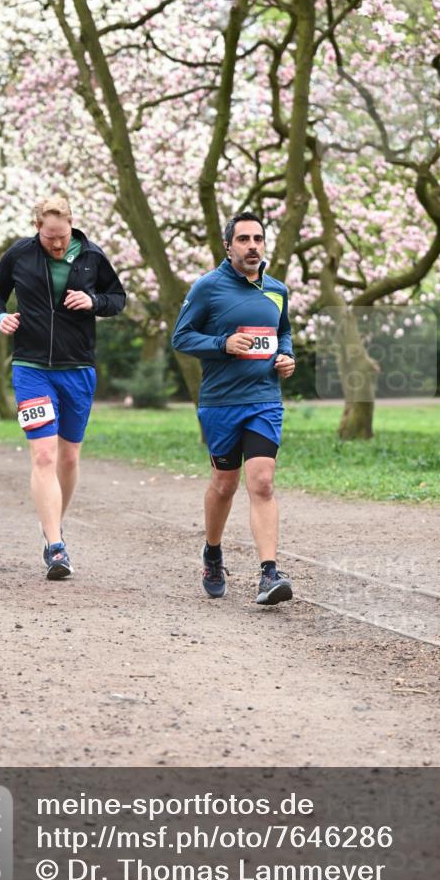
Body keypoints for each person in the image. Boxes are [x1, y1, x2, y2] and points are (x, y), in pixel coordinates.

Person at [0, 194, 126, 580]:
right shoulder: (19, 255)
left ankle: (53, 526)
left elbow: (118, 299)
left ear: (71, 225)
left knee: (68, 457)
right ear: (37, 229)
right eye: (50, 238)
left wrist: (93, 300)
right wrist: (0, 319)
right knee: (44, 455)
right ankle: (56, 547)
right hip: (31, 367)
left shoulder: (92, 256)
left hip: (78, 368)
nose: (58, 244)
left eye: (62, 237)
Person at [172, 211, 296, 606]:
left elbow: (283, 331)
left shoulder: (277, 290)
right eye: (243, 239)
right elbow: (181, 336)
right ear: (229, 246)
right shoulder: (209, 287)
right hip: (221, 402)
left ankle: (269, 573)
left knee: (261, 482)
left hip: (263, 400)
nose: (252, 246)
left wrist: (287, 356)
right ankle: (212, 552)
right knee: (224, 484)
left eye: (258, 238)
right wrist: (222, 344)